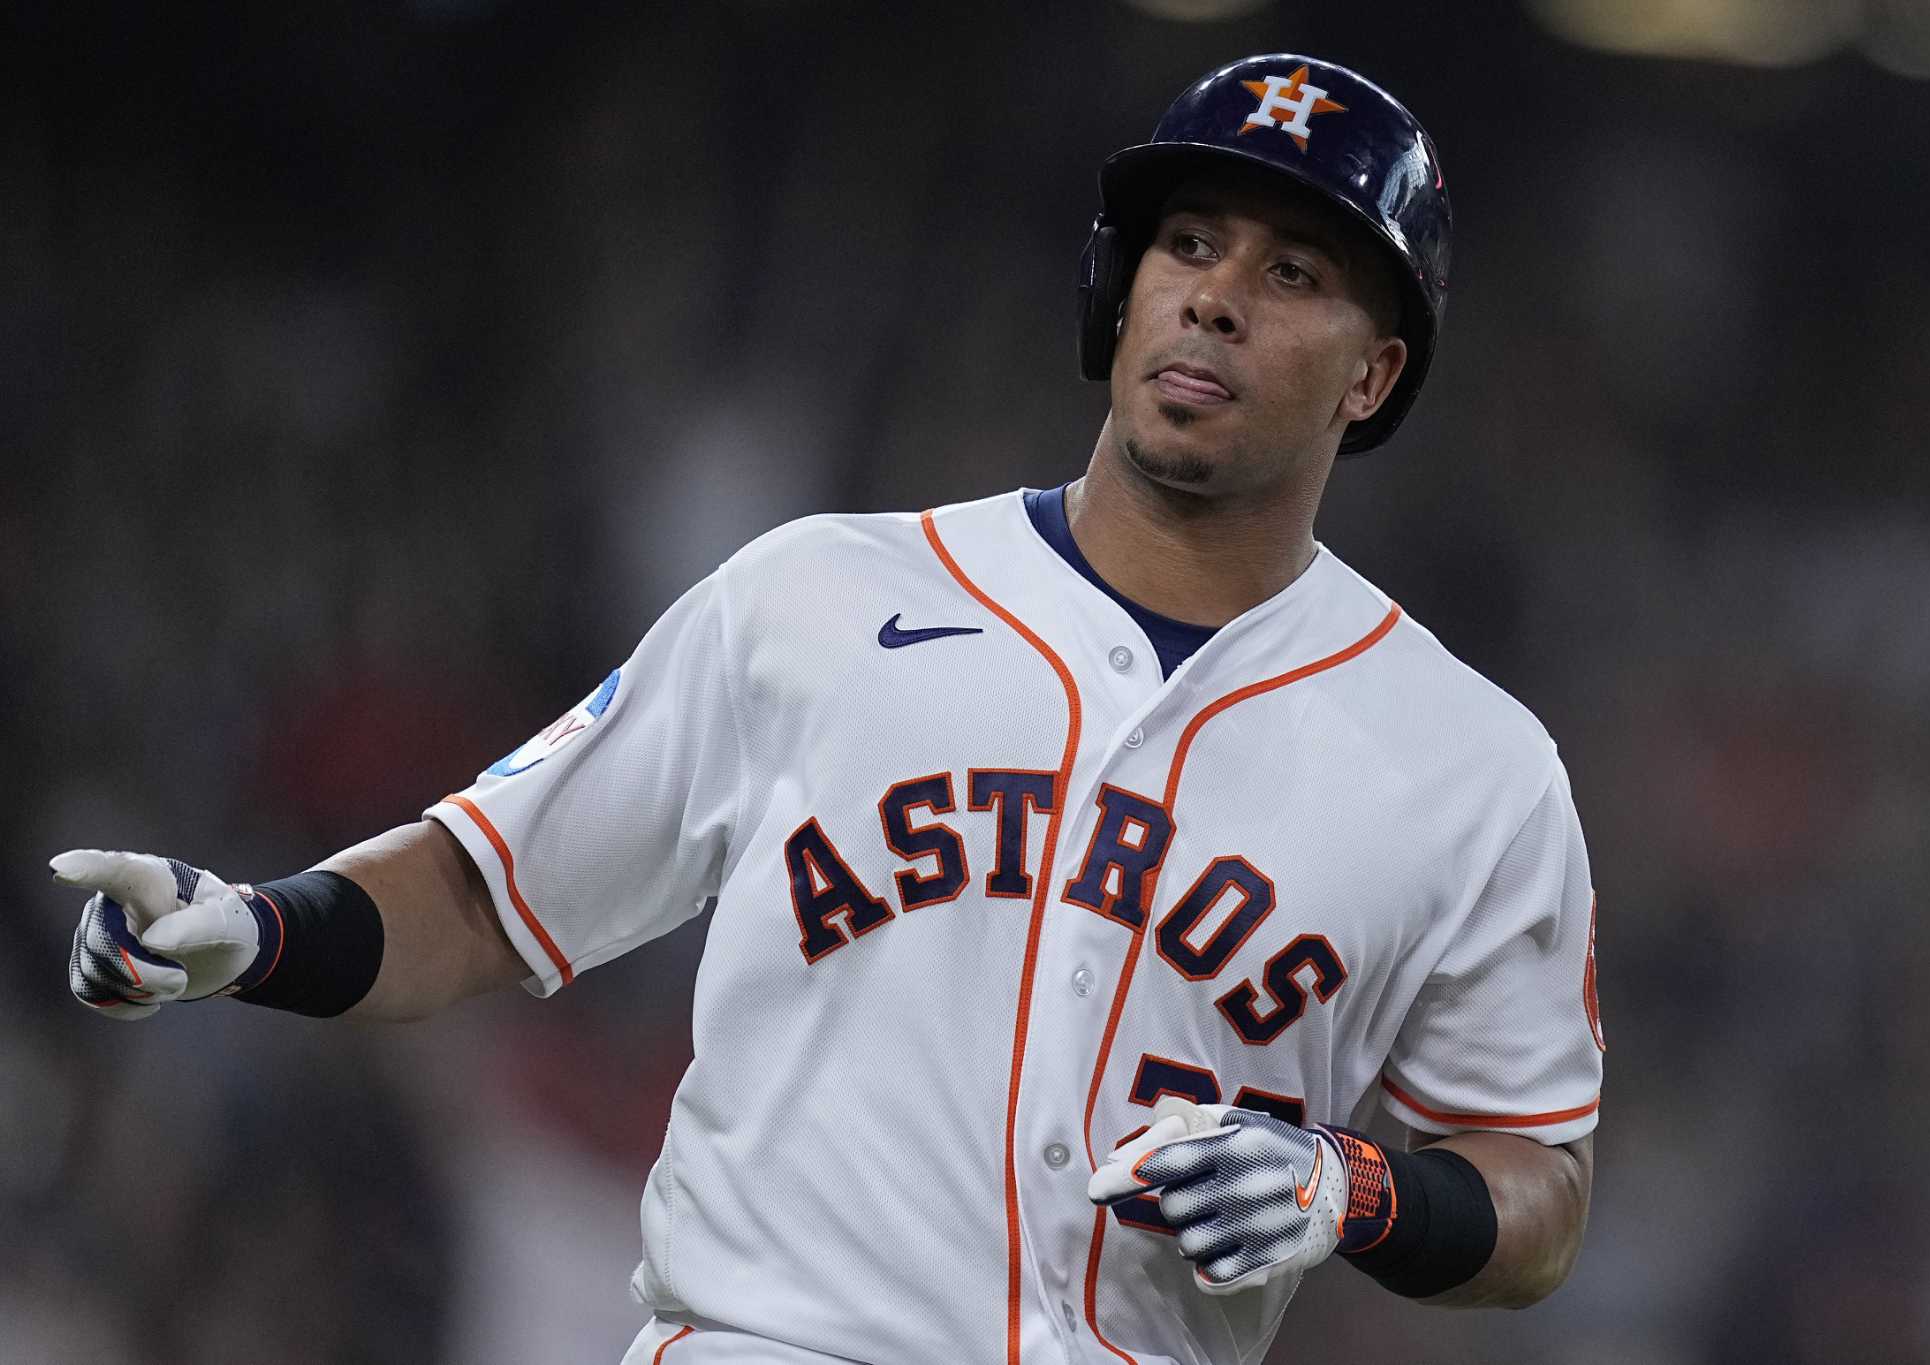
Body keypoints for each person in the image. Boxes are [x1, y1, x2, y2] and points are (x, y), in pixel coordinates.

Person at [58, 53, 1603, 1365]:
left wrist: (1358, 1193)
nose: (1211, 300)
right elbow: (491, 883)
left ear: (1374, 372)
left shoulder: (1472, 765)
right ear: (1116, 287)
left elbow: (1535, 1186)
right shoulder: (819, 595)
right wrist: (263, 931)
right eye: (1187, 243)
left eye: (1291, 272)